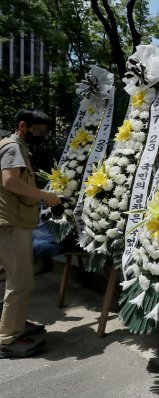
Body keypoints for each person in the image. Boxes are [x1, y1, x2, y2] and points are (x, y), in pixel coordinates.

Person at [0, 109, 61, 358]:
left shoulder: (16, 146)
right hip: (10, 224)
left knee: (20, 279)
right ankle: (8, 339)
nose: (43, 136)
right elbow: (10, 182)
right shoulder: (13, 146)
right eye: (40, 131)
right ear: (23, 126)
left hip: (16, 221)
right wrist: (47, 197)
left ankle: (15, 323)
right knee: (20, 281)